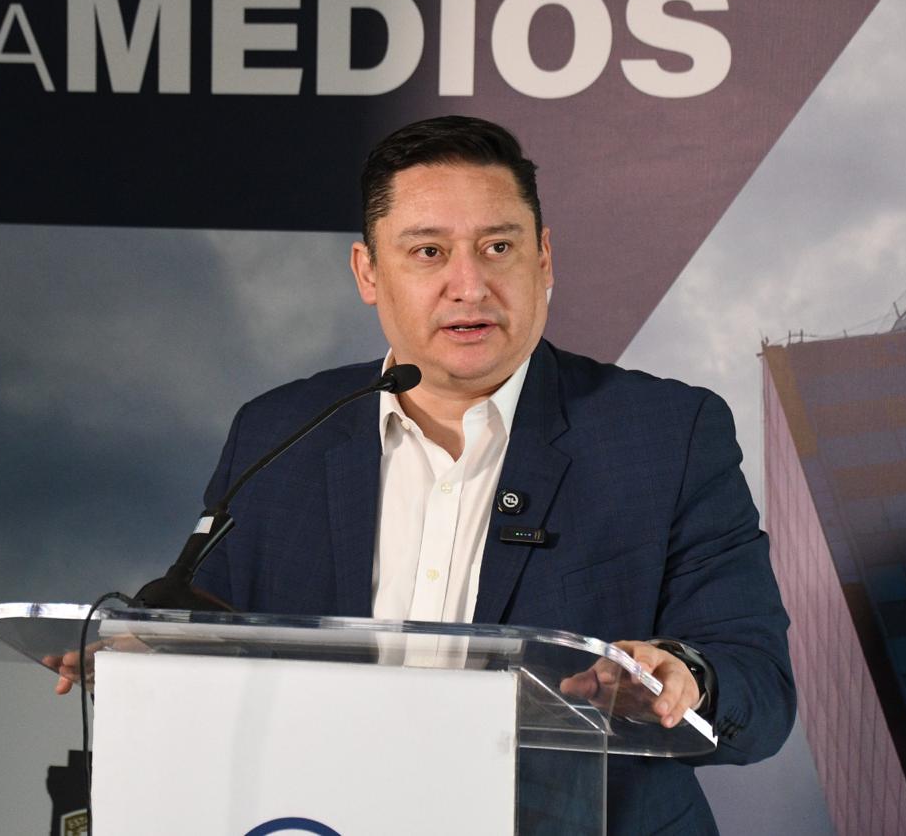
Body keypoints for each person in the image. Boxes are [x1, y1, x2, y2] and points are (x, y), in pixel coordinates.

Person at [52, 115, 795, 834]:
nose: (469, 285)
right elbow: (210, 638)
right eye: (429, 252)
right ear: (368, 273)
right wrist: (147, 661)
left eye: (498, 247)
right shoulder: (280, 433)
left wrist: (683, 677)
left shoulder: (665, 436)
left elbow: (758, 687)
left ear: (543, 259)